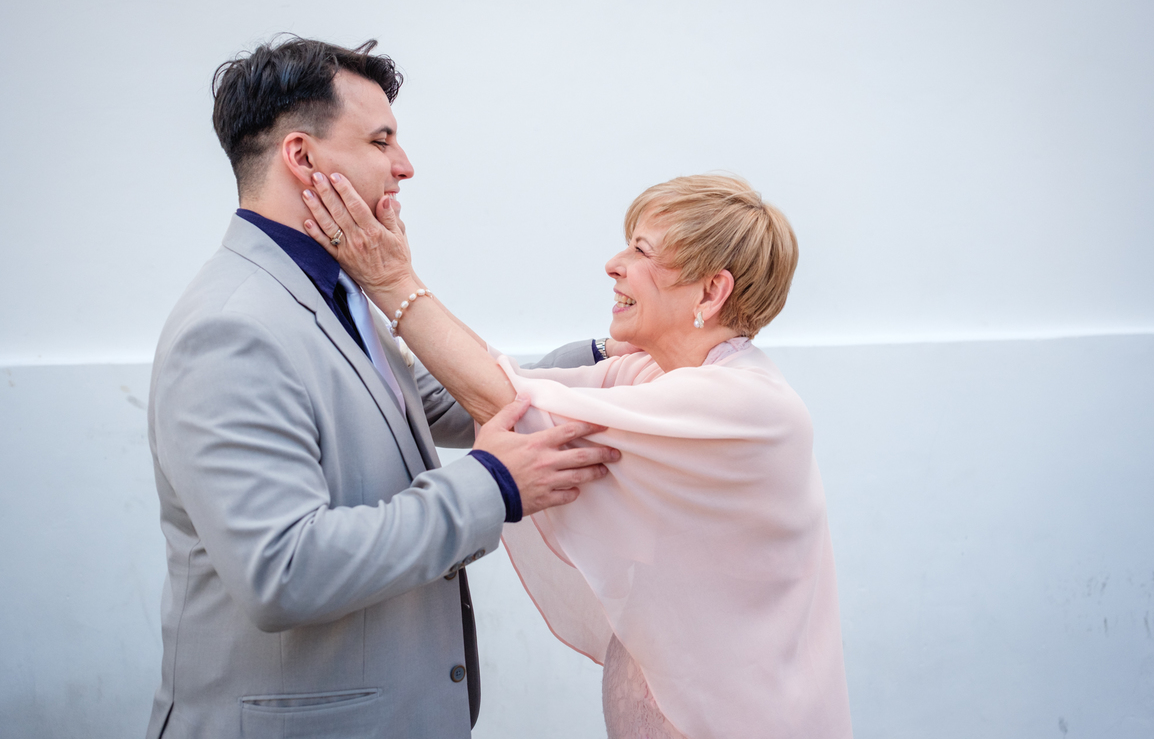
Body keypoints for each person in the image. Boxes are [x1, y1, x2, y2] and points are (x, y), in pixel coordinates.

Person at [145, 36, 623, 739]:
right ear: (302, 157)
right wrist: (493, 484)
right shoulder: (231, 327)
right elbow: (282, 570)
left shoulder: (335, 288)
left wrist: (609, 359)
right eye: (380, 141)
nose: (405, 165)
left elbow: (439, 400)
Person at [302, 172, 854, 738]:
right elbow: (506, 380)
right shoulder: (650, 373)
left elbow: (508, 402)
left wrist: (391, 279)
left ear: (711, 292)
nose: (613, 265)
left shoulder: (744, 403)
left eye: (642, 251)